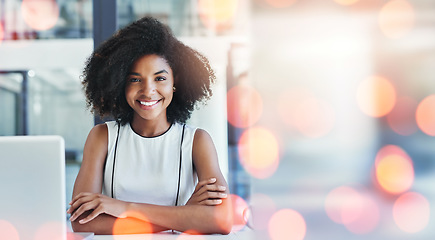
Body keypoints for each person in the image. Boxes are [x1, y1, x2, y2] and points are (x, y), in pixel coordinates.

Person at [67, 16, 231, 235]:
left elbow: (223, 220)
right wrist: (185, 214)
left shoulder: (197, 141)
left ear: (175, 83)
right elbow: (82, 222)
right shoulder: (102, 137)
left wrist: (126, 208)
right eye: (135, 79)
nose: (148, 90)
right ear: (119, 84)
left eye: (160, 78)